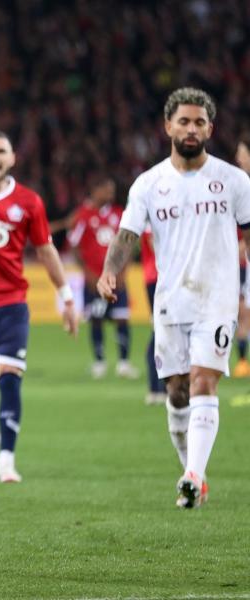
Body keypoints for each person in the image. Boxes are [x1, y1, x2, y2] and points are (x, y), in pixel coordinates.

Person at [98, 87, 250, 509]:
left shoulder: (234, 181)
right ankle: (191, 475)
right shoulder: (149, 184)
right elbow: (127, 235)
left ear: (210, 129)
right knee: (177, 391)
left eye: (199, 122)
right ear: (168, 126)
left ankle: (194, 474)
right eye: (183, 121)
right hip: (170, 301)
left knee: (204, 381)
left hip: (218, 299)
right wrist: (111, 270)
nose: (191, 128)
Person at [0, 131, 79, 484]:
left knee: (9, 377)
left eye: (1, 151)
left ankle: (7, 460)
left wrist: (67, 296)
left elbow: (46, 250)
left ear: (13, 158)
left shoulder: (29, 201)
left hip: (12, 304)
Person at [68, 176, 138, 379]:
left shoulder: (119, 214)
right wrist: (87, 273)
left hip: (116, 278)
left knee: (122, 318)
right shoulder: (83, 215)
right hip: (94, 281)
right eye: (106, 190)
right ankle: (99, 362)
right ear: (95, 190)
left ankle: (124, 363)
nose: (110, 194)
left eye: (112, 190)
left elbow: (130, 244)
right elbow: (74, 246)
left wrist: (124, 272)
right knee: (96, 320)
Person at [139, 228, 168, 405]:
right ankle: (158, 388)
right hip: (159, 279)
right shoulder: (153, 212)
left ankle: (157, 389)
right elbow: (156, 245)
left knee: (161, 334)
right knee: (162, 335)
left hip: (158, 278)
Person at [233, 136, 250, 376]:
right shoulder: (238, 185)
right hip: (242, 262)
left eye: (242, 153)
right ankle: (243, 362)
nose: (238, 158)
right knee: (242, 311)